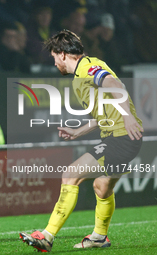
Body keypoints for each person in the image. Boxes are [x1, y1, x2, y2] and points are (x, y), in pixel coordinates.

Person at [19, 30, 144, 252]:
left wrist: (127, 117)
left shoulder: (87, 67)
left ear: (63, 54)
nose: (55, 62)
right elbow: (106, 109)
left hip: (121, 136)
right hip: (122, 136)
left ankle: (47, 235)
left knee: (70, 174)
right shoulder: (85, 71)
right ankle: (99, 237)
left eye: (54, 57)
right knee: (102, 186)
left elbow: (115, 86)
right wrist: (80, 131)